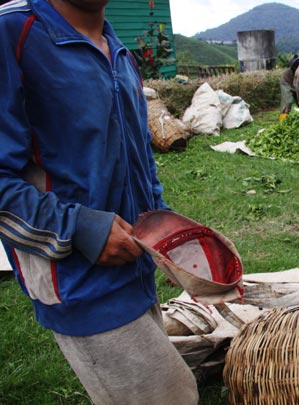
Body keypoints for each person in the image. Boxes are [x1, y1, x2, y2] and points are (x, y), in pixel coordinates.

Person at [0, 1, 198, 404]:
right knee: (172, 396)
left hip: (136, 270)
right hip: (77, 282)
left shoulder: (116, 48)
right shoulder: (12, 34)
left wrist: (166, 234)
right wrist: (83, 229)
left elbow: (139, 155)